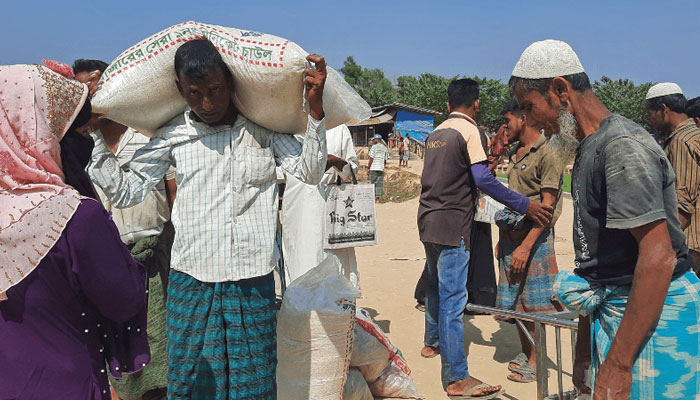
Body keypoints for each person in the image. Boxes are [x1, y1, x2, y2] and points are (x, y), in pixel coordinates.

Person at [88, 39, 327, 400]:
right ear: (180, 91)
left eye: (215, 90)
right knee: (190, 378)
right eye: (194, 93)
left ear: (231, 84)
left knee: (255, 379)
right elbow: (125, 192)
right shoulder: (173, 137)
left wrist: (315, 111)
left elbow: (309, 171)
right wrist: (92, 133)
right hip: (192, 282)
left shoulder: (261, 132)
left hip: (251, 280)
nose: (207, 104)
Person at [509, 39, 700, 399]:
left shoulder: (621, 147)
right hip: (624, 318)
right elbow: (595, 261)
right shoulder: (590, 147)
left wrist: (618, 365)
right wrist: (585, 349)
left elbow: (658, 258)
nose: (529, 119)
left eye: (529, 106)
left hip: (654, 321)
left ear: (560, 90)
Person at [0, 64, 149, 400]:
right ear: (39, 137)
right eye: (80, 135)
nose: (88, 147)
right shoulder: (74, 217)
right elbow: (123, 300)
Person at [417, 78, 553, 399]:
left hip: (428, 221)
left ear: (448, 104)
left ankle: (431, 343)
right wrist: (524, 204)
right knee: (454, 300)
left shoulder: (435, 133)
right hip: (453, 225)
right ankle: (456, 378)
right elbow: (482, 178)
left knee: (435, 286)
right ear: (476, 104)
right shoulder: (470, 130)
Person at [74, 58, 176, 400]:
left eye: (93, 90)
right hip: (111, 267)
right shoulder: (80, 150)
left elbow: (174, 195)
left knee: (163, 346)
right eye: (81, 93)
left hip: (156, 258)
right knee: (119, 352)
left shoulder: (148, 136)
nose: (89, 101)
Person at [495, 100, 565, 383]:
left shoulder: (549, 153)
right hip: (513, 238)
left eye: (508, 121)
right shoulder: (517, 152)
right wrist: (507, 242)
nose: (505, 127)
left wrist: (525, 246)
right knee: (517, 302)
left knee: (535, 303)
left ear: (523, 119)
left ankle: (537, 363)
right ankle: (528, 353)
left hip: (534, 240)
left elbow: (546, 209)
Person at [281, 123, 360, 288]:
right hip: (298, 207)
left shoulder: (339, 129)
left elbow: (352, 169)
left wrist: (335, 162)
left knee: (334, 262)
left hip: (331, 208)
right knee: (300, 258)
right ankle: (300, 309)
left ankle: (335, 310)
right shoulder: (288, 129)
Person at [645, 83, 700, 273]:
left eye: (650, 113)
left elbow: (683, 200)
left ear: (663, 110)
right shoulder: (694, 134)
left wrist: (665, 245)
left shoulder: (682, 140)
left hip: (691, 241)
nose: (650, 120)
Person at [367, 133, 389, 202]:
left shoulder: (373, 147)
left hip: (373, 168)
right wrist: (383, 167)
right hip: (380, 168)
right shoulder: (385, 148)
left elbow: (371, 159)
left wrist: (368, 168)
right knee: (379, 184)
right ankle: (377, 199)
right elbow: (385, 159)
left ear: (376, 140)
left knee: (372, 183)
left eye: (374, 139)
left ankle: (372, 198)